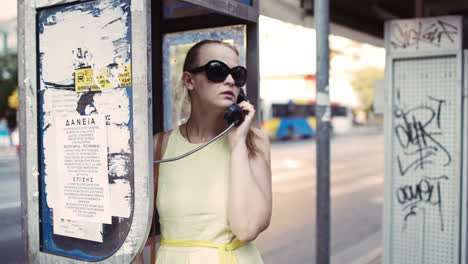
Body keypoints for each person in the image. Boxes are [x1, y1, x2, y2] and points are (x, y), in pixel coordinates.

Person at [135, 39, 272, 263]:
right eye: (217, 71)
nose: (229, 81)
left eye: (237, 75)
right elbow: (133, 235)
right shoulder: (160, 146)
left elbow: (247, 228)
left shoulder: (254, 141)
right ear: (189, 80)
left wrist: (237, 143)